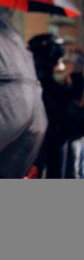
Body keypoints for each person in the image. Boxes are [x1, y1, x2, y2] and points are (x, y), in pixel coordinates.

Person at [28, 33, 84, 178]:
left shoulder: (47, 86)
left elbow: (69, 103)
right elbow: (67, 115)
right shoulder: (44, 88)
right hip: (53, 139)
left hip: (55, 140)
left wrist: (76, 75)